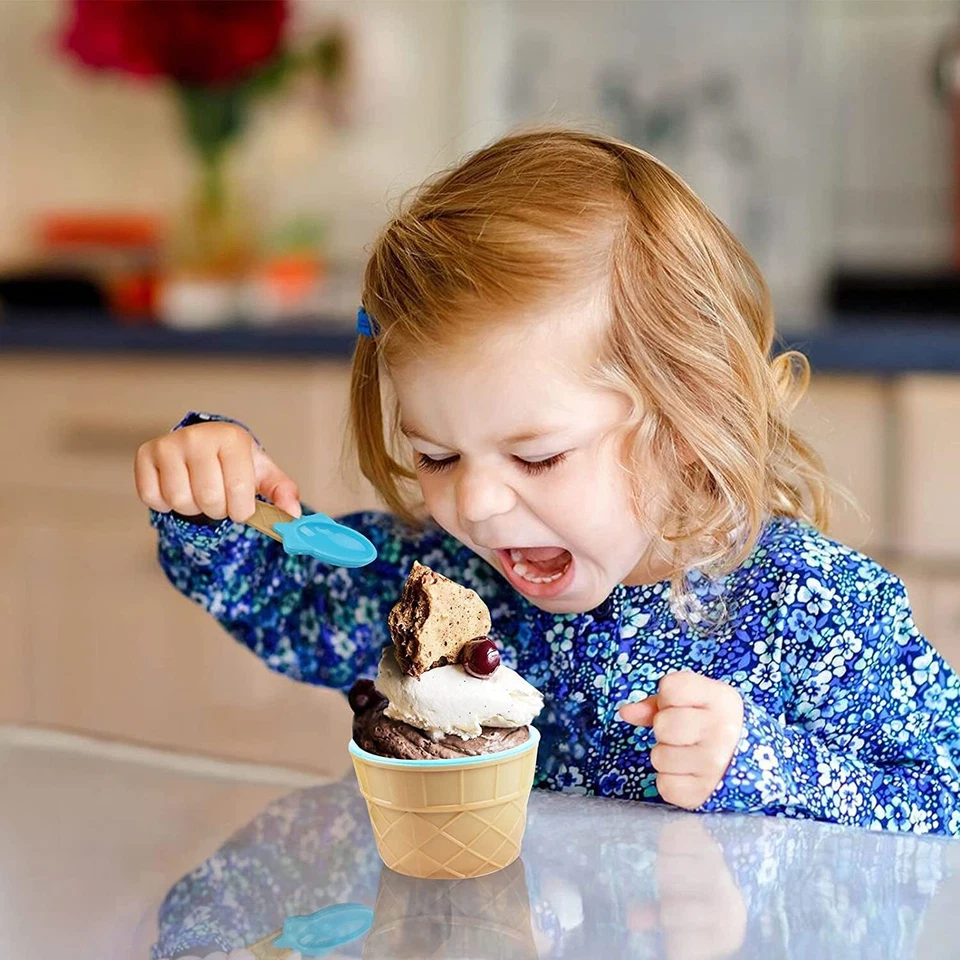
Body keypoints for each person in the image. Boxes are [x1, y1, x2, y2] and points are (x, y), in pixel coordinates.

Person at [135, 128, 960, 835]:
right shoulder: (445, 585)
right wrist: (213, 506)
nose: (475, 503)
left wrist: (761, 763)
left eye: (537, 458)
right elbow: (288, 605)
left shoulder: (810, 609)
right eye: (437, 456)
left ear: (685, 422)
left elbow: (944, 798)